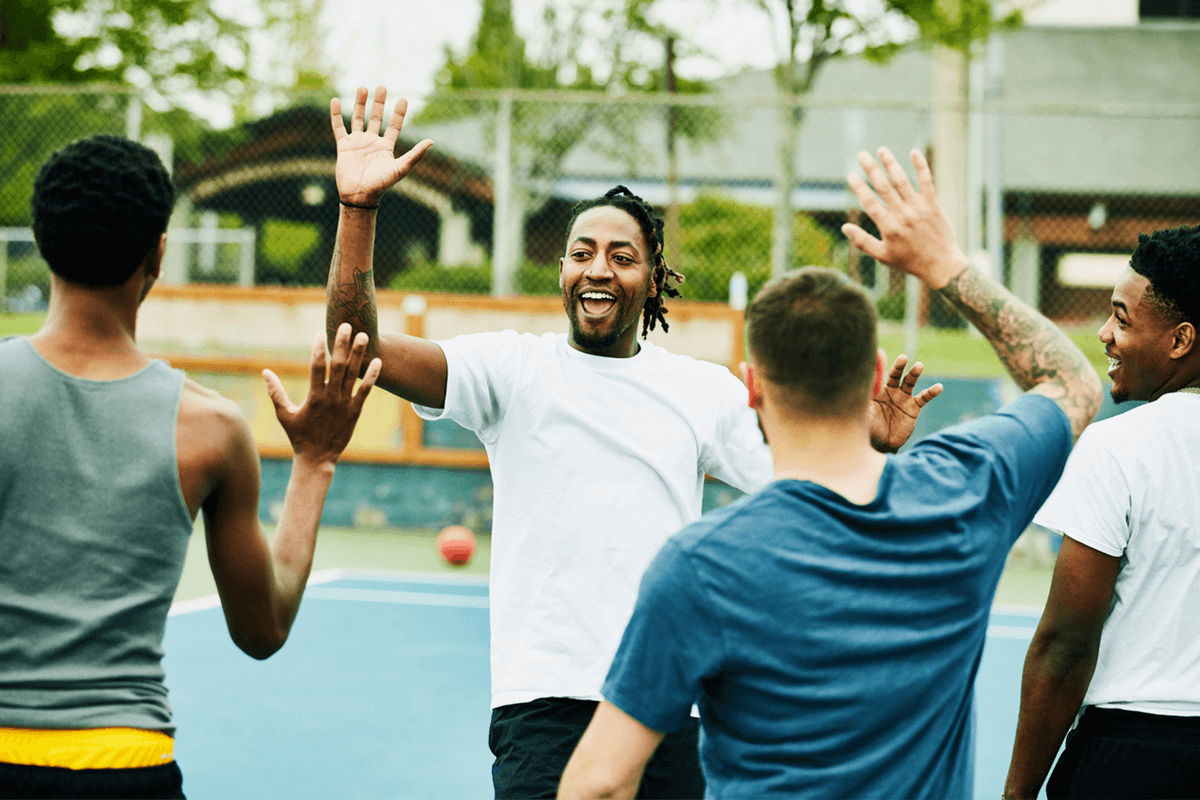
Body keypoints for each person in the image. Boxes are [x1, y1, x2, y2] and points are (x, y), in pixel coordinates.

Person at [325, 86, 942, 798]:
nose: (597, 268)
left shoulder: (702, 392)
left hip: (667, 704)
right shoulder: (510, 371)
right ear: (561, 272)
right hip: (544, 705)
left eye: (621, 256)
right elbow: (358, 339)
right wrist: (358, 209)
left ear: (653, 280)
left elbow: (809, 487)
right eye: (581, 252)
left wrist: (869, 442)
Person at [557, 147, 1103, 800]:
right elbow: (1071, 380)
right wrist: (944, 265)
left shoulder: (700, 565)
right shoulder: (964, 494)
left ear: (753, 388)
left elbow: (597, 785)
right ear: (876, 377)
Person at [0, 134, 381, 798]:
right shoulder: (210, 429)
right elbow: (264, 629)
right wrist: (315, 460)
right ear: (159, 251)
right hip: (127, 768)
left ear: (38, 236)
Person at [1003, 225, 1200, 800]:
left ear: (1181, 339)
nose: (1104, 334)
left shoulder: (1122, 446)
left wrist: (1017, 793)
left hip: (1134, 753)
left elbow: (1065, 642)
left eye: (1122, 317)